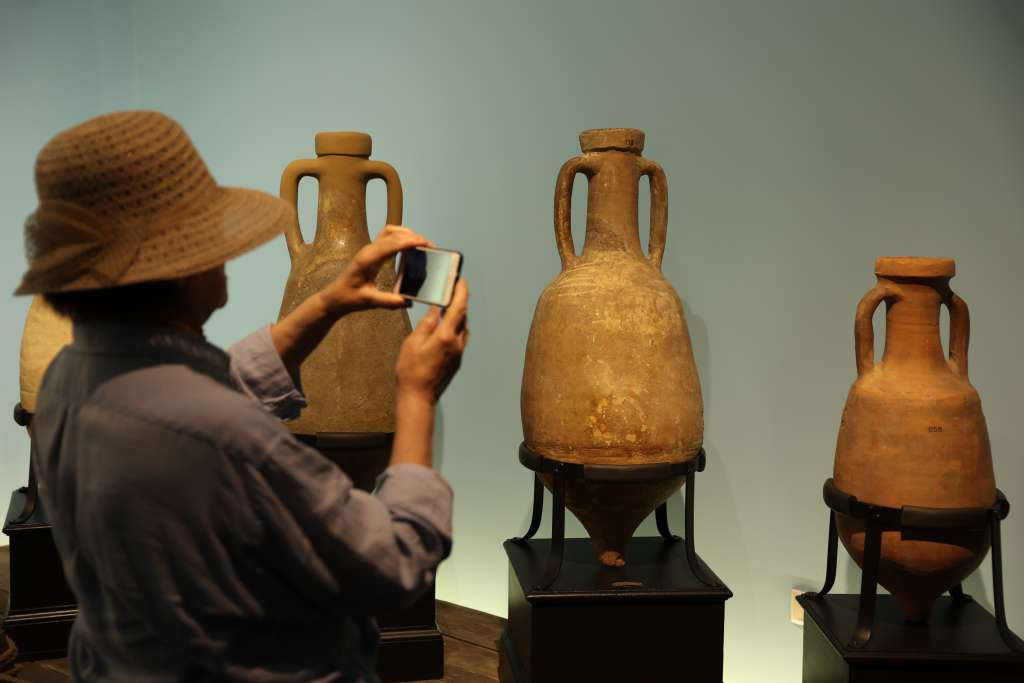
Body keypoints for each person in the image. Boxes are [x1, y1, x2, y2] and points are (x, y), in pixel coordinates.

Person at [14, 110, 469, 682]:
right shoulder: (227, 439)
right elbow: (393, 564)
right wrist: (417, 396)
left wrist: (326, 303)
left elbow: (195, 399)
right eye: (209, 237)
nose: (225, 249)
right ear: (179, 269)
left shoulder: (68, 380)